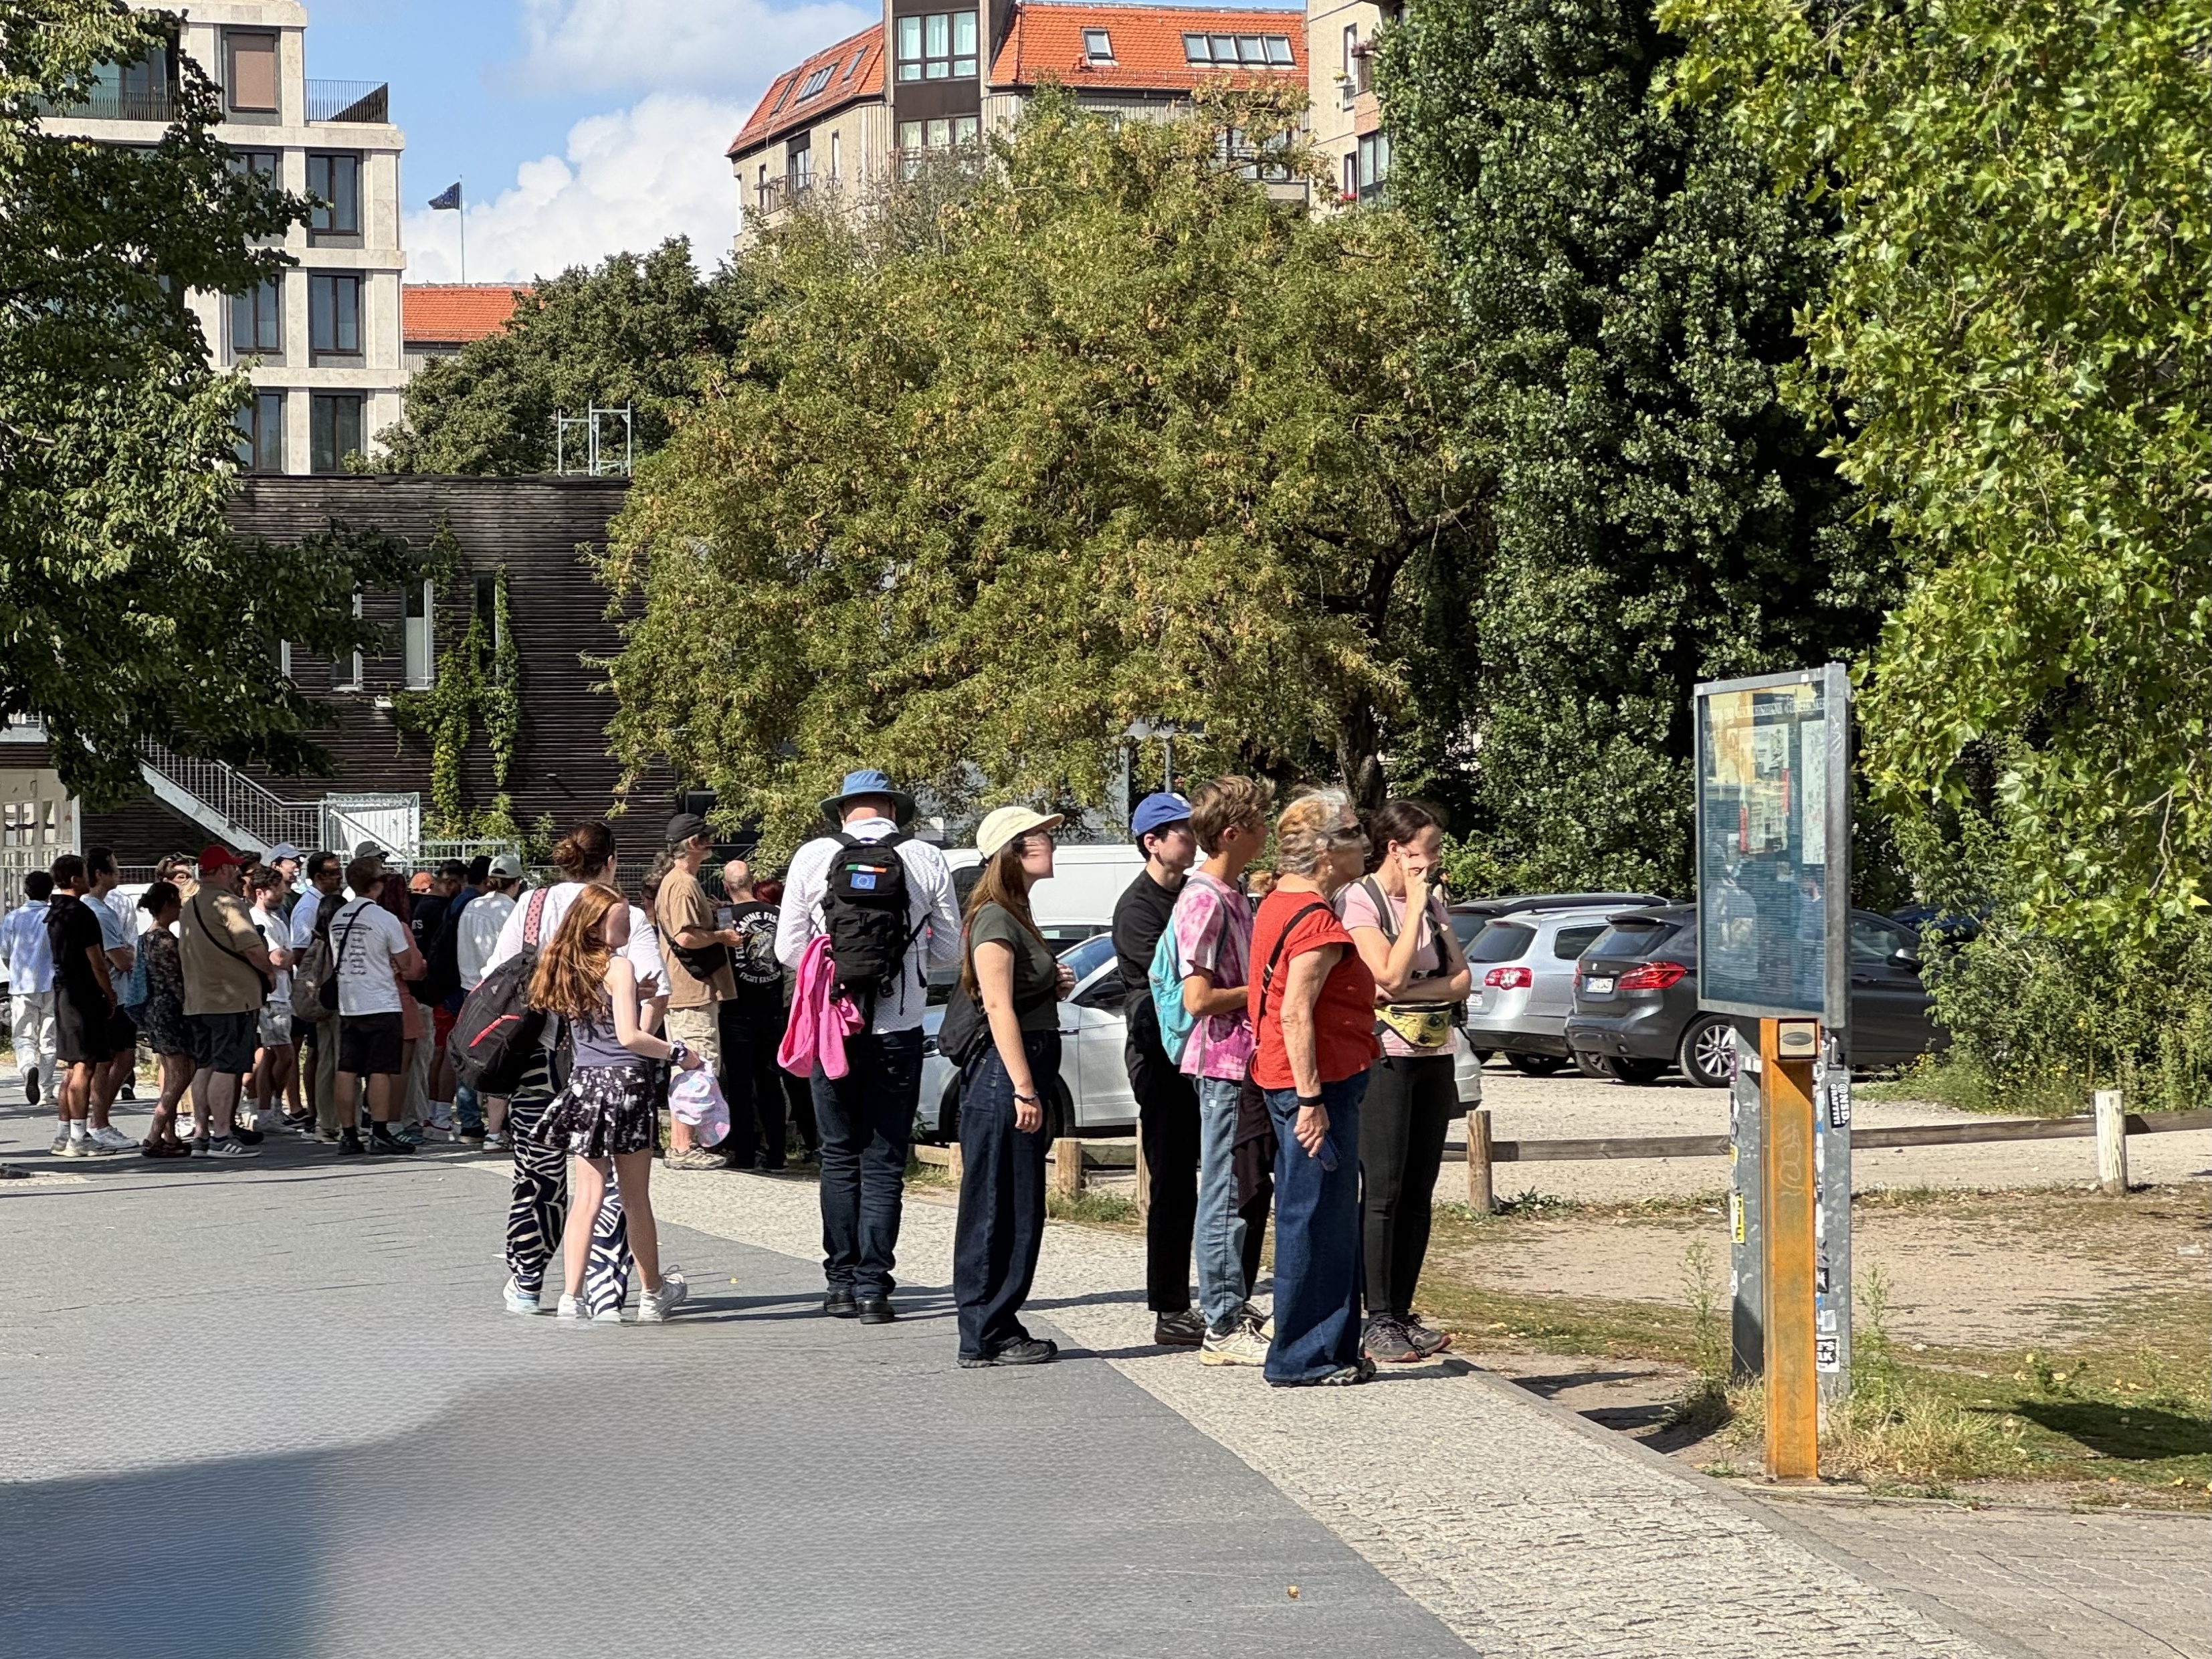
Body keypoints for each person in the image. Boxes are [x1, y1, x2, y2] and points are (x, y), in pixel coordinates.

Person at [775, 769, 961, 1323]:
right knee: (882, 1158)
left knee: (838, 1153)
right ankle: (874, 1289)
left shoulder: (812, 857)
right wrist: (903, 959)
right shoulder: (926, 859)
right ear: (893, 809)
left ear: (842, 811)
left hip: (831, 1025)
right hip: (898, 1025)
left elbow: (787, 948)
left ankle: (837, 1284)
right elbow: (950, 950)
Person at [485, 820, 668, 1319]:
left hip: (536, 1058)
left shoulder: (531, 905)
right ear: (612, 860)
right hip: (610, 1062)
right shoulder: (623, 914)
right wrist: (640, 1037)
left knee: (539, 1173)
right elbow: (658, 988)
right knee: (616, 1184)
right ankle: (607, 1291)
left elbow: (495, 979)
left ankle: (528, 1281)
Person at [1247, 789, 1379, 1387]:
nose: (1366, 843)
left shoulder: (1280, 901)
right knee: (1317, 1220)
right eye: (1352, 833)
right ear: (1325, 852)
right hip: (1314, 1085)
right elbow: (1294, 1014)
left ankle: (1331, 1348)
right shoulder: (1316, 922)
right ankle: (1305, 1356)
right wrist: (1310, 1102)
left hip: (1293, 1078)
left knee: (1319, 1215)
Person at [1338, 799, 1473, 1363]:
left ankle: (1402, 1309)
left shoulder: (1435, 903)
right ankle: (1378, 1318)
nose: (1436, 860)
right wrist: (1415, 908)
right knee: (1386, 1191)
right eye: (1428, 849)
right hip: (1384, 1057)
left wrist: (1419, 988)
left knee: (1419, 1193)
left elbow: (1461, 979)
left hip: (1434, 1051)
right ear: (1396, 849)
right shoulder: (1360, 900)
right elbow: (1382, 979)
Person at [527, 882, 695, 1323]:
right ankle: (652, 1294)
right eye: (620, 917)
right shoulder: (617, 967)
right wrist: (680, 1053)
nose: (627, 922)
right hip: (626, 1086)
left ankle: (570, 1295)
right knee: (636, 1198)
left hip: (585, 1084)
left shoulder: (564, 965)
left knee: (587, 1196)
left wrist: (634, 993)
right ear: (599, 923)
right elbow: (629, 1036)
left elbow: (596, 1017)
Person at [952, 807, 1076, 1367]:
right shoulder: (994, 918)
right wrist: (1025, 1090)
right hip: (1005, 1077)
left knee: (1018, 1205)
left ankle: (997, 1323)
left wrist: (1052, 982)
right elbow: (996, 1004)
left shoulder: (1016, 913)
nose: (1050, 842)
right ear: (1013, 850)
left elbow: (1017, 994)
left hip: (1021, 1071)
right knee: (997, 1204)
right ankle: (984, 1332)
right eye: (1040, 836)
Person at [1171, 776, 1277, 1366]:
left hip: (1247, 1060)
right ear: (1233, 833)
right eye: (1260, 823)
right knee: (1223, 1190)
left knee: (1243, 1187)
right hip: (1223, 1062)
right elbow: (1197, 998)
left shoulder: (1234, 893)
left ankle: (1231, 1304)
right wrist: (1260, 991)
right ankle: (1219, 1321)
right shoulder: (1204, 898)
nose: (1267, 833)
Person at [1112, 790, 1206, 1345]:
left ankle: (1222, 1296)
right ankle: (1169, 1307)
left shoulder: (1196, 893)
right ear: (1152, 842)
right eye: (1182, 832)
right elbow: (1167, 989)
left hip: (1205, 1055)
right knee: (1173, 1184)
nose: (1192, 840)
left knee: (1221, 1179)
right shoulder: (1138, 909)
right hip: (1161, 1062)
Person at [654, 813, 738, 1171]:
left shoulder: (681, 883)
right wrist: (722, 937)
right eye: (707, 838)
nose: (712, 844)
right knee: (696, 1067)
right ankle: (683, 1146)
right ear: (693, 844)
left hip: (688, 989)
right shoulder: (683, 884)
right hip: (691, 988)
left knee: (691, 1066)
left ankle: (683, 1143)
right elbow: (686, 936)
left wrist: (711, 915)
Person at [177, 845, 272, 1157]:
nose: (235, 872)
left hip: (199, 998)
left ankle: (202, 1134)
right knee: (227, 1066)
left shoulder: (189, 905)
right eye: (231, 868)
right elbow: (252, 948)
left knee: (205, 1065)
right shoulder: (228, 903)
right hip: (232, 998)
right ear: (220, 871)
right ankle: (221, 1136)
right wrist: (270, 973)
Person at [328, 854, 427, 1155]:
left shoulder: (339, 917)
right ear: (377, 884)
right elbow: (407, 963)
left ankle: (348, 1134)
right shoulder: (384, 919)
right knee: (380, 1069)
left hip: (349, 1000)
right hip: (382, 1000)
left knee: (347, 1067)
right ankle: (381, 1130)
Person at [716, 858, 791, 1169]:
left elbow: (719, 955)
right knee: (771, 1082)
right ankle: (777, 1153)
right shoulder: (778, 914)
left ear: (725, 886)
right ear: (751, 882)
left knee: (740, 1085)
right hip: (772, 1008)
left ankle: (744, 1152)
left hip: (736, 1009)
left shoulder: (725, 917)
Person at [46, 855, 118, 1158]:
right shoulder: (81, 912)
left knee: (71, 1066)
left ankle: (64, 1134)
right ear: (76, 879)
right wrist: (109, 993)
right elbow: (97, 962)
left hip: (62, 990)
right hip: (84, 993)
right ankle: (79, 1136)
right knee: (86, 1066)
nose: (91, 877)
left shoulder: (54, 912)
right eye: (86, 873)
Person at [454, 852, 524, 1147]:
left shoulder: (471, 906)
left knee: (468, 1054)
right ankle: (501, 1126)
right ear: (517, 882)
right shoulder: (511, 911)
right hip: (501, 990)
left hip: (468, 988)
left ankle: (470, 1122)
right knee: (501, 1057)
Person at [289, 851, 347, 1137]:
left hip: (328, 990)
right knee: (331, 1057)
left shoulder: (325, 902)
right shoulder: (308, 907)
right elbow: (302, 953)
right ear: (319, 876)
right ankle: (331, 1118)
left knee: (326, 1056)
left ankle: (329, 1118)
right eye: (334, 872)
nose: (339, 877)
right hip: (325, 991)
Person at [133, 882, 193, 1157]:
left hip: (153, 1011)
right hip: (171, 1010)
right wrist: (192, 1009)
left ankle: (169, 1136)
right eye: (177, 901)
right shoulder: (166, 941)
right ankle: (154, 1134)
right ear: (168, 903)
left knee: (171, 1073)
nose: (180, 906)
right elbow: (175, 982)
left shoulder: (145, 937)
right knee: (182, 1074)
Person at [245, 865, 296, 1133]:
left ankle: (270, 1108)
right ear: (261, 892)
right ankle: (266, 1110)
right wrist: (294, 955)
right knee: (278, 1054)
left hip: (284, 993)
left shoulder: (278, 918)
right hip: (271, 997)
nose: (283, 893)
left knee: (279, 1056)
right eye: (277, 888)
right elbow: (278, 958)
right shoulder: (258, 920)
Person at [3, 871, 58, 1112]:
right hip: (52, 983)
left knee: (23, 1035)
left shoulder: (13, 917)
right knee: (49, 1038)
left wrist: (14, 969)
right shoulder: (54, 916)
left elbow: (5, 952)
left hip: (22, 985)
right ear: (50, 891)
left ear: (26, 891)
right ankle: (46, 1090)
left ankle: (27, 1068)